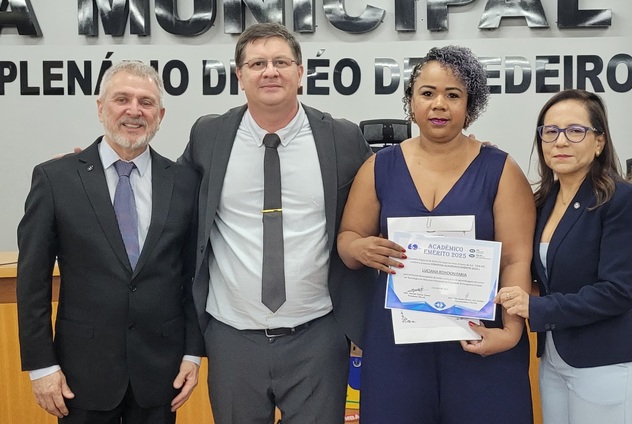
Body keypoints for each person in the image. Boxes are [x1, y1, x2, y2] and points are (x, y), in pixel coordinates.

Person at [178, 23, 376, 423]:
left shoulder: (342, 138)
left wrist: (452, 161)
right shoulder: (208, 135)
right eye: (257, 64)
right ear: (239, 75)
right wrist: (103, 174)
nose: (270, 71)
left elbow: (388, 194)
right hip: (231, 337)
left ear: (300, 72)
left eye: (281, 62)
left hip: (318, 334)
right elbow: (172, 197)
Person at [337, 45, 536, 423]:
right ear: (411, 102)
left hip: (480, 337)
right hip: (398, 344)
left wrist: (511, 332)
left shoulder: (501, 169)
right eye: (427, 93)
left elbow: (515, 258)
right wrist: (360, 247)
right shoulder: (378, 167)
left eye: (453, 95)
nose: (439, 104)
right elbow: (347, 240)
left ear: (470, 105)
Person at [17, 61, 204, 424]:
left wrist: (192, 353)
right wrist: (41, 365)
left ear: (160, 115)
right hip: (80, 374)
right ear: (100, 107)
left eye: (146, 102)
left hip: (160, 372)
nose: (134, 111)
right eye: (122, 99)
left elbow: (192, 275)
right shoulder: (56, 179)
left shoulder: (184, 182)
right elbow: (32, 280)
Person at [497, 89, 632, 424]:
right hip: (555, 358)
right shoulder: (543, 201)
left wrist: (536, 307)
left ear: (599, 141)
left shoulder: (622, 199)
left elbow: (617, 292)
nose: (560, 141)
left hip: (607, 360)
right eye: (550, 131)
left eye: (575, 131)